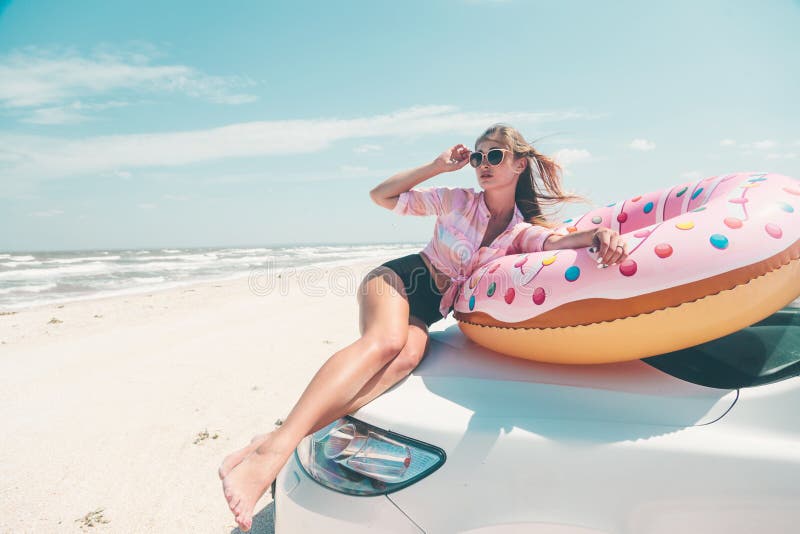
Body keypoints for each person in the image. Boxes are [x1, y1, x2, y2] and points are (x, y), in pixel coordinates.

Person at [218, 123, 629, 531]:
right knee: (386, 343)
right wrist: (437, 166)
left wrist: (600, 235)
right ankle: (271, 456)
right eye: (477, 156)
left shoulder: (521, 230)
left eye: (494, 155)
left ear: (519, 164)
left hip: (428, 310)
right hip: (399, 279)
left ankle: (273, 440)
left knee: (407, 357)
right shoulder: (458, 200)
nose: (483, 163)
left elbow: (557, 243)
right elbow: (382, 196)